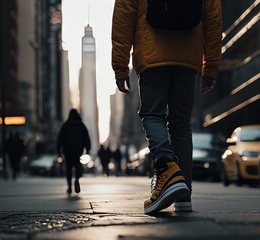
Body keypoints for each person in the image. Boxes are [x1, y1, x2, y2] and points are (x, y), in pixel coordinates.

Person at [111, 0, 222, 214]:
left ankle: (167, 167)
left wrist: (120, 66)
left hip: (152, 54)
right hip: (187, 58)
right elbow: (213, 20)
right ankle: (184, 195)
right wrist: (211, 67)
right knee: (180, 123)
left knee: (152, 114)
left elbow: (123, 18)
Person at [57, 109, 91, 195]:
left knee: (68, 169)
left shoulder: (65, 126)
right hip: (78, 150)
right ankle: (77, 179)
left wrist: (59, 151)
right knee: (78, 166)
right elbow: (87, 138)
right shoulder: (81, 126)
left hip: (67, 151)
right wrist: (87, 150)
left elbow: (59, 139)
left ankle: (69, 186)